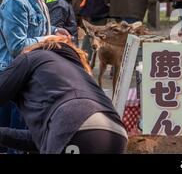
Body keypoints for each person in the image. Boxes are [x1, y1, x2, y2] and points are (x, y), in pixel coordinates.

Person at [0, 36, 128, 154]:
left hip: (74, 122)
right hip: (117, 132)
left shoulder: (33, 57)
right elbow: (47, 140)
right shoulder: (77, 71)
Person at [0, 0, 70, 153]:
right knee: (15, 140)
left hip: (29, 76)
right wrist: (50, 38)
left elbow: (34, 29)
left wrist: (55, 30)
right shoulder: (17, 1)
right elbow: (18, 45)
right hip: (13, 79)